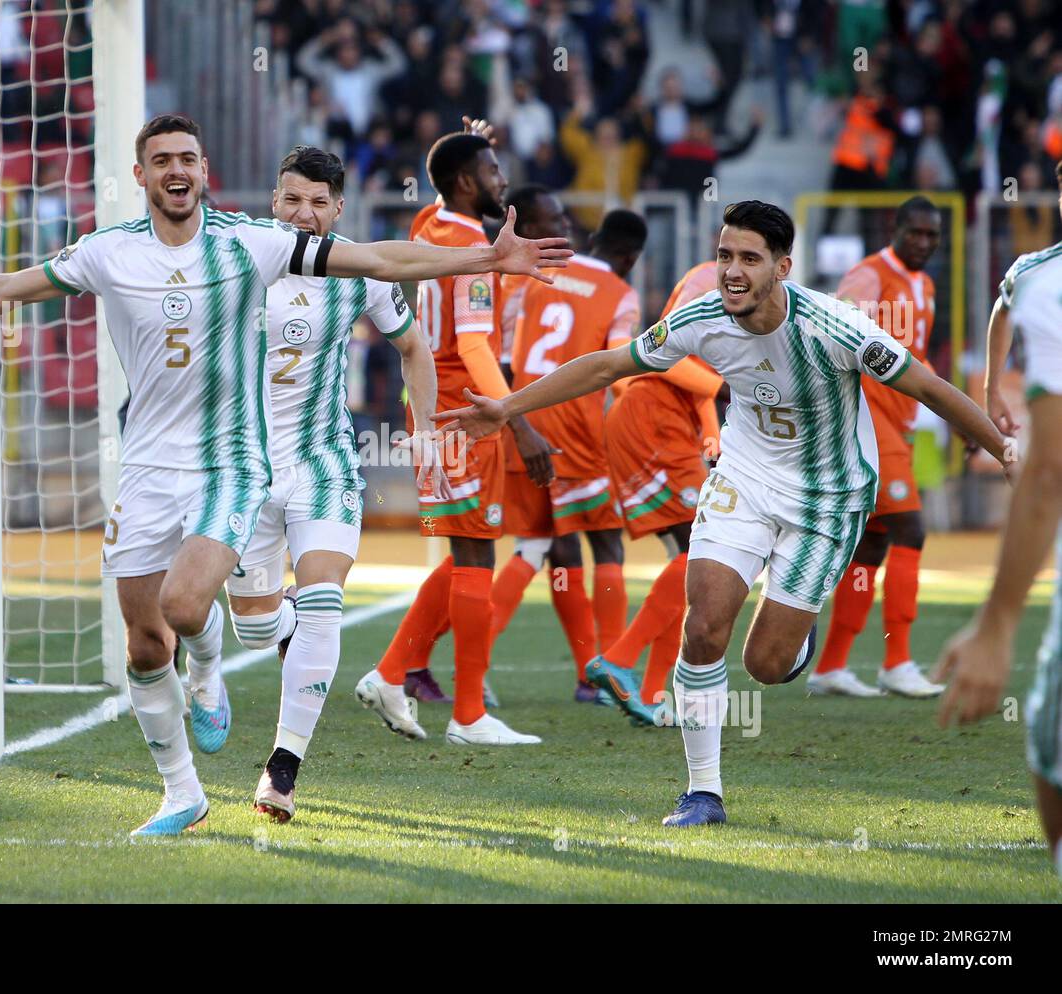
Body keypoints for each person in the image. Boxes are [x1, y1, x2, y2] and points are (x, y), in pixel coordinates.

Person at [0, 114, 571, 835]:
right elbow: (18, 286)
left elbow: (381, 262)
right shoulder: (107, 252)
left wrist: (485, 260)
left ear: (206, 174)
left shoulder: (253, 245)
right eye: (162, 160)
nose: (176, 170)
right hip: (148, 467)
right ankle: (183, 788)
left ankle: (266, 743)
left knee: (190, 609)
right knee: (146, 643)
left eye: (188, 158)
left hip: (233, 462)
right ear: (142, 176)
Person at [434, 200, 1016, 827]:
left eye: (749, 259)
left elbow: (927, 386)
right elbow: (608, 364)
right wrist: (507, 406)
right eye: (724, 256)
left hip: (828, 498)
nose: (732, 271)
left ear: (782, 267)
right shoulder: (702, 317)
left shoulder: (836, 327)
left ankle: (792, 635)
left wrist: (1007, 452)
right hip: (743, 479)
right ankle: (703, 793)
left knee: (766, 665)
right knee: (704, 626)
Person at [220, 145, 446, 822]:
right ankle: (279, 623)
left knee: (324, 602)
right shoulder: (239, 253)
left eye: (319, 202)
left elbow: (412, 346)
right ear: (273, 200)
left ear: (338, 209)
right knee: (255, 630)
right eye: (292, 199)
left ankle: (282, 770)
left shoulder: (357, 269)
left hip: (323, 460)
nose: (304, 213)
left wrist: (426, 428)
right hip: (245, 466)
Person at [355, 130, 554, 746]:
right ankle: (468, 714)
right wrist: (517, 418)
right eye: (493, 170)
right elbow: (472, 341)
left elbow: (437, 195)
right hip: (464, 411)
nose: (503, 182)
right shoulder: (475, 249)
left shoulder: (429, 223)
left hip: (430, 407)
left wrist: (467, 146)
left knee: (469, 549)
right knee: (474, 559)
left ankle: (391, 675)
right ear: (467, 182)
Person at [937, 162, 1062, 878]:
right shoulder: (1038, 276)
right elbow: (1002, 303)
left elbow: (1046, 476)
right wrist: (990, 380)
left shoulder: (1049, 286)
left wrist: (997, 624)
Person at [488, 194, 645, 702]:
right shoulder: (620, 293)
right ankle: (611, 670)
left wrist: (516, 415)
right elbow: (620, 371)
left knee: (544, 546)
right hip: (578, 427)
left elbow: (506, 355)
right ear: (630, 257)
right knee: (606, 544)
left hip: (525, 418)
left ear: (594, 240)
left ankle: (575, 673)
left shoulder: (530, 275)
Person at [811, 197, 946, 698]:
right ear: (896, 227)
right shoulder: (868, 276)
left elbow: (918, 359)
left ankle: (831, 667)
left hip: (901, 424)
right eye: (917, 233)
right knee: (912, 527)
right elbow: (835, 337)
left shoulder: (926, 285)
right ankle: (898, 661)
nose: (924, 243)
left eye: (933, 236)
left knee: (874, 543)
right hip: (868, 420)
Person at [583, 260, 726, 724]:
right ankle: (619, 660)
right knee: (701, 549)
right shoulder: (714, 282)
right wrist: (720, 387)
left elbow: (704, 386)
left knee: (691, 565)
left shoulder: (731, 283)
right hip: (652, 422)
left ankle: (650, 692)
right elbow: (669, 351)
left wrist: (711, 435)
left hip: (664, 423)